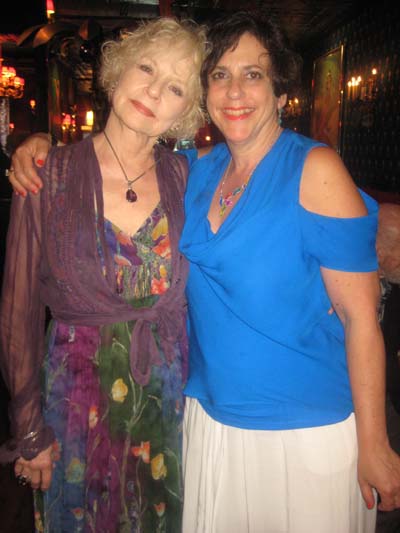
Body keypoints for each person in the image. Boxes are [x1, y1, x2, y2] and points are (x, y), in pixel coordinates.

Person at [8, 10, 400, 533]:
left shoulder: (262, 170)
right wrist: (30, 143)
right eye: (220, 74)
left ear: (281, 93)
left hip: (269, 423)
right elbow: (22, 307)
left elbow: (358, 313)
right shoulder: (192, 170)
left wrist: (375, 442)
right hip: (174, 418)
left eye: (253, 74)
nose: (235, 90)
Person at [0, 17, 206, 533]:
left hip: (168, 405)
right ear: (117, 70)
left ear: (188, 110)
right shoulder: (49, 173)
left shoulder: (190, 178)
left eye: (176, 87)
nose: (155, 91)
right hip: (73, 407)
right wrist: (29, 431)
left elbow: (271, 176)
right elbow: (18, 310)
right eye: (146, 67)